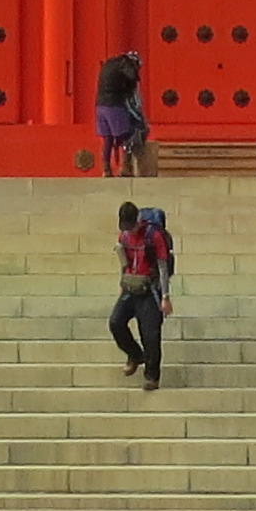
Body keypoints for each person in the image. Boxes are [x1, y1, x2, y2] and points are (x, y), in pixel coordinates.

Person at [108, 197, 174, 393]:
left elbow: (162, 265)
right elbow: (124, 261)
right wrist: (123, 282)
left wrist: (165, 297)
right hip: (131, 286)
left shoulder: (153, 235)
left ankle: (152, 375)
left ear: (138, 220)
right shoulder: (124, 236)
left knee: (151, 335)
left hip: (150, 288)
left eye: (131, 225)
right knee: (115, 323)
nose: (129, 230)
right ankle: (135, 354)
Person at [93, 48, 153, 176]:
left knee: (108, 139)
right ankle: (125, 168)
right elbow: (132, 77)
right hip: (114, 105)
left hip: (100, 105)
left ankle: (106, 169)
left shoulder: (110, 63)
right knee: (126, 136)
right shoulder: (126, 63)